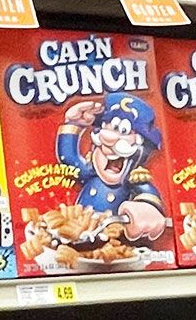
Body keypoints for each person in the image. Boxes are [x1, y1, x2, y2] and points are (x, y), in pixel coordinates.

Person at [58, 92, 168, 244]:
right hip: (75, 241)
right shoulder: (90, 174)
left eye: (123, 131)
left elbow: (148, 196)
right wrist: (72, 124)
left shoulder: (134, 180)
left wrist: (148, 209)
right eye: (107, 128)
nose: (109, 139)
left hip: (118, 244)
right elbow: (69, 159)